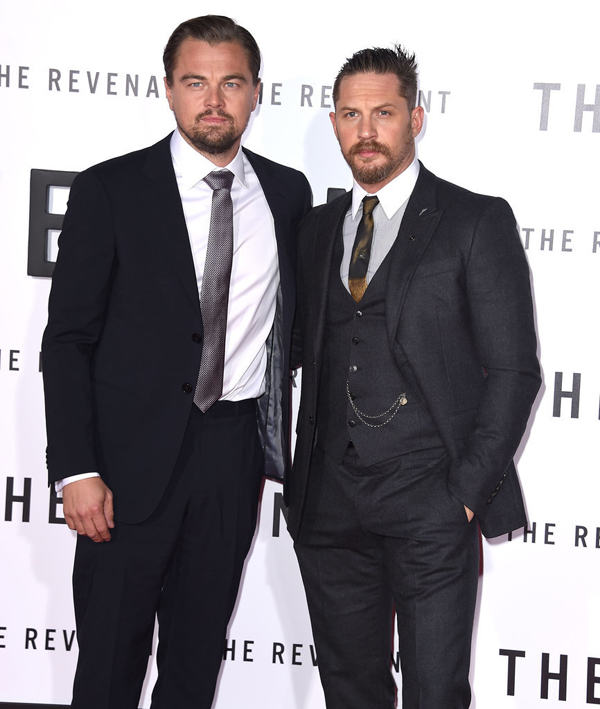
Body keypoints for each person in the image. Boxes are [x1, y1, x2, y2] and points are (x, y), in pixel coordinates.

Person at [42, 15, 311, 709]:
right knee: (108, 665)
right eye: (195, 82)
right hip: (121, 468)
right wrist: (77, 468)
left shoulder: (287, 194)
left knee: (195, 665)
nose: (213, 100)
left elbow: (293, 327)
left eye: (231, 83)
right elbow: (67, 339)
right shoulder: (111, 190)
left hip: (231, 458)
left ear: (256, 93)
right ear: (168, 90)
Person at [288, 45, 540, 709]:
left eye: (384, 113)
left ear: (416, 119)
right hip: (328, 507)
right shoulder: (314, 230)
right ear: (335, 123)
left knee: (435, 694)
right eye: (351, 114)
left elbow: (515, 370)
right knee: (350, 693)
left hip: (431, 502)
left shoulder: (474, 220)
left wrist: (463, 495)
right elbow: (289, 350)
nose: (366, 130)